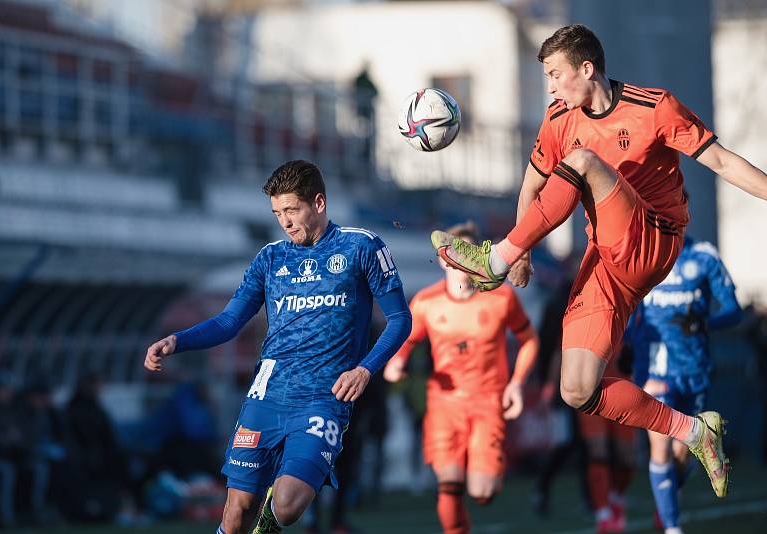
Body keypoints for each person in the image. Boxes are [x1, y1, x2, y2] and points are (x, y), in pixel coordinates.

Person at [432, 24, 767, 499]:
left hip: (653, 239)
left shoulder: (655, 107)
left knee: (584, 161)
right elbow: (531, 187)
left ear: (586, 69)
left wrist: (507, 254)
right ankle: (694, 433)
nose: (550, 87)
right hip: (605, 257)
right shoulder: (559, 118)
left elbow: (724, 162)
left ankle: (494, 262)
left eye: (555, 74)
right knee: (578, 389)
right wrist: (523, 250)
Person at [143, 160, 412, 534]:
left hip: (323, 398)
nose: (284, 221)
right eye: (277, 213)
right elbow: (228, 322)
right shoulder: (270, 258)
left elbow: (401, 320)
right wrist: (178, 340)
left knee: (286, 507)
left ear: (318, 202)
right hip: (266, 394)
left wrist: (365, 368)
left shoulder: (360, 246)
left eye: (291, 210)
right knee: (236, 512)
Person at [383, 222, 539, 534]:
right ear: (443, 259)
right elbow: (406, 341)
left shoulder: (502, 299)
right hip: (445, 406)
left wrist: (517, 384)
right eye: (456, 253)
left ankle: (484, 468)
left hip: (488, 402)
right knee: (449, 484)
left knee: (482, 492)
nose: (462, 261)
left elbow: (529, 340)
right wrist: (395, 363)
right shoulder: (427, 302)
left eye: (469, 254)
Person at [626, 236, 742, 534]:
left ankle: (667, 501)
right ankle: (672, 527)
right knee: (661, 446)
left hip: (694, 370)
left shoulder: (703, 256)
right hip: (653, 370)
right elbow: (623, 311)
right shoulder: (637, 252)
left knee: (683, 453)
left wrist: (704, 323)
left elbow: (734, 310)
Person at [576, 347, 636, 534]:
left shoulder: (627, 317)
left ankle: (615, 498)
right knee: (597, 451)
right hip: (589, 385)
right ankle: (603, 513)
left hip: (621, 382)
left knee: (628, 458)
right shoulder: (576, 317)